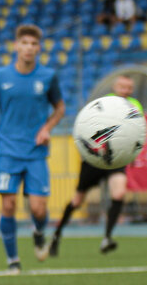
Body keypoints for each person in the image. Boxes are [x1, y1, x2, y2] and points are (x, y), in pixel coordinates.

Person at [0, 24, 65, 274]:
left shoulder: (47, 76)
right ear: (16, 46)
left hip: (35, 152)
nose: (29, 48)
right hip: (8, 150)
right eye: (24, 43)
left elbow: (60, 108)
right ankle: (13, 259)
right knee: (9, 205)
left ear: (39, 48)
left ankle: (38, 231)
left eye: (34, 44)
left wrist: (47, 128)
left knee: (38, 208)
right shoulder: (0, 76)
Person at [45, 75, 142, 256]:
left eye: (129, 88)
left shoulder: (135, 106)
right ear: (115, 87)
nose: (125, 91)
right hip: (95, 158)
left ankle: (107, 238)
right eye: (122, 87)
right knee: (77, 200)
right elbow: (88, 129)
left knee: (119, 192)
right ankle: (56, 236)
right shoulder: (104, 105)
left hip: (117, 160)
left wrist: (133, 153)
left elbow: (138, 132)